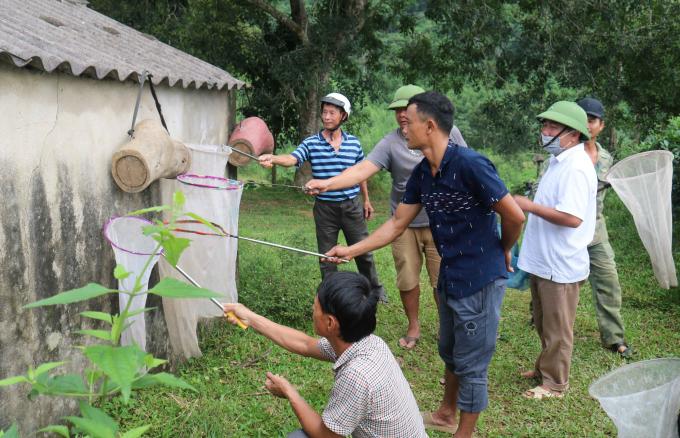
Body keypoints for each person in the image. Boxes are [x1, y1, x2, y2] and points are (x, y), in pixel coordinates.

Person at [324, 91, 525, 437]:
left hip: (479, 278)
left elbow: (515, 215)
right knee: (449, 349)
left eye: (410, 122)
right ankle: (447, 413)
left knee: (472, 363)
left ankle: (464, 432)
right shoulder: (423, 173)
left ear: (429, 126)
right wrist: (353, 250)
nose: (404, 128)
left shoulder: (471, 165)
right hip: (451, 273)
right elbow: (396, 224)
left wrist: (503, 248)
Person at [305, 84, 468, 350]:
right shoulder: (394, 146)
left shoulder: (452, 140)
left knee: (444, 280)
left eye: (407, 110)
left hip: (443, 223)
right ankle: (413, 325)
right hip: (405, 222)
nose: (402, 115)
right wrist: (327, 183)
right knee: (407, 278)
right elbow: (362, 170)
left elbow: (476, 179)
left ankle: (447, 327)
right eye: (398, 111)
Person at [223, 271, 427, 438]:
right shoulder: (368, 342)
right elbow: (304, 344)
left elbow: (325, 435)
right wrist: (250, 317)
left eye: (315, 308)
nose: (312, 310)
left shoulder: (357, 376)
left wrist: (290, 392)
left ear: (330, 323)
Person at [258, 93, 385, 300]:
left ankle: (376, 292)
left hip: (352, 207)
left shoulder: (354, 143)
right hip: (325, 210)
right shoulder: (311, 143)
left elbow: (362, 173)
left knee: (363, 252)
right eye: (324, 112)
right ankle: (329, 296)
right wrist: (273, 158)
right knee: (326, 257)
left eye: (332, 113)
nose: (326, 117)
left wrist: (367, 200)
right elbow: (292, 158)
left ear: (343, 116)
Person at [514, 101, 597, 399]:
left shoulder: (575, 167)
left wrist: (529, 206)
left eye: (551, 127)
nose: (544, 131)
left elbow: (572, 218)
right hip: (545, 259)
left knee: (558, 328)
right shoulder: (559, 160)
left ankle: (555, 384)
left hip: (561, 263)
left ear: (573, 135)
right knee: (543, 320)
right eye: (544, 125)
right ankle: (543, 368)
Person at [577, 97, 632, 358]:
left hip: (597, 231)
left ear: (601, 125)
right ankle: (540, 313)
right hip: (569, 230)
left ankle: (614, 338)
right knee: (562, 283)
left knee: (609, 281)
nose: (587, 124)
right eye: (583, 118)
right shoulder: (565, 154)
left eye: (592, 120)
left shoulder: (607, 158)